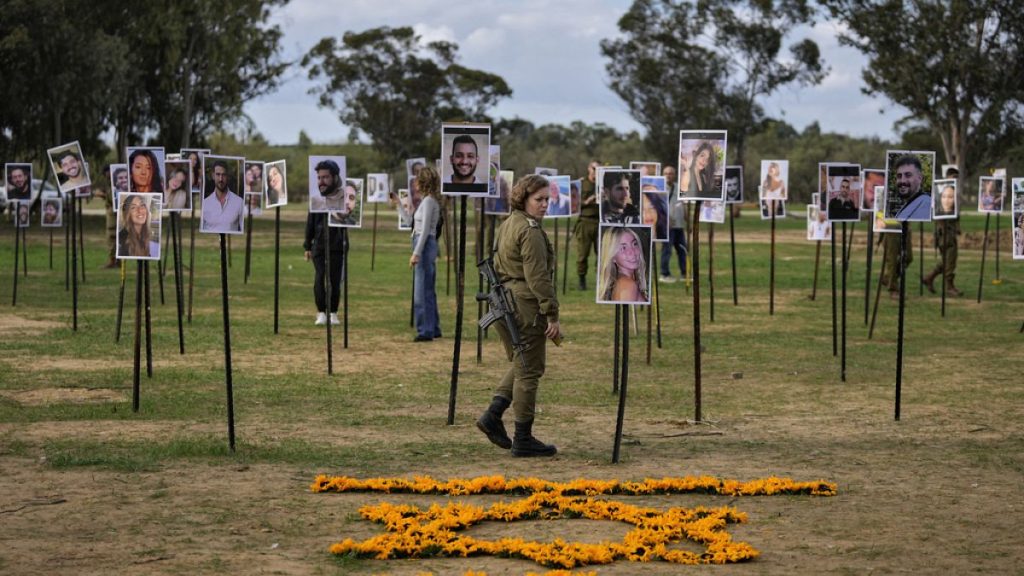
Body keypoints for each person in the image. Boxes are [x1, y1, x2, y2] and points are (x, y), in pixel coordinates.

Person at [476, 174, 560, 458]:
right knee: (529, 370)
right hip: (523, 304)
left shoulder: (509, 223)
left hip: (506, 301)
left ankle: (493, 414)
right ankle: (523, 437)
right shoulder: (530, 230)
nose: (545, 205)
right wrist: (552, 313)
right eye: (539, 199)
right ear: (523, 199)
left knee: (523, 361)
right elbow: (537, 277)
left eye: (547, 199)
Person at [409, 166, 442, 341]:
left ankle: (425, 330)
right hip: (423, 243)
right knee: (427, 288)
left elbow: (426, 231)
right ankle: (433, 327)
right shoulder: (425, 201)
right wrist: (400, 204)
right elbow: (412, 224)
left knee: (421, 292)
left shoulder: (429, 202)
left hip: (425, 244)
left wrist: (416, 253)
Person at [303, 201, 348, 327]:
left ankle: (333, 312)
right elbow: (310, 224)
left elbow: (346, 223)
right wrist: (307, 246)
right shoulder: (316, 201)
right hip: (319, 246)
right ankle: (321, 312)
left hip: (337, 246)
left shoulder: (341, 200)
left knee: (335, 280)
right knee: (320, 277)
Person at [923, 183, 962, 296]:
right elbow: (939, 225)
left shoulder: (953, 211)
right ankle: (949, 287)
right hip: (945, 239)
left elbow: (956, 223)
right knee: (949, 262)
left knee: (946, 261)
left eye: (950, 197)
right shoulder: (939, 211)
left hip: (950, 237)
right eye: (944, 197)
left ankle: (929, 278)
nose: (947, 200)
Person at [599, 227, 649, 303]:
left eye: (635, 244)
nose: (632, 252)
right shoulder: (628, 285)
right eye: (623, 248)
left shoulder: (624, 281)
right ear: (613, 257)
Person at [575, 160, 601, 290]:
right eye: (594, 168)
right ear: (588, 169)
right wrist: (587, 201)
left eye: (599, 169)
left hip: (600, 221)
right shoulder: (581, 183)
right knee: (582, 254)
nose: (596, 171)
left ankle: (600, 280)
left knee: (601, 254)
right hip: (585, 221)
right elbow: (573, 203)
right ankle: (582, 280)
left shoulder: (604, 184)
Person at [659, 166, 687, 283]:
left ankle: (684, 273)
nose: (668, 176)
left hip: (679, 224)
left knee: (682, 249)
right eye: (666, 173)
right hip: (667, 226)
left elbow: (684, 204)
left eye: (671, 173)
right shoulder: (659, 188)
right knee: (667, 250)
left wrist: (688, 220)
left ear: (675, 175)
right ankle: (664, 274)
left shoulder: (680, 187)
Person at [201, 160, 243, 232]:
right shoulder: (205, 203)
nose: (221, 179)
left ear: (228, 176)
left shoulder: (239, 202)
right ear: (213, 176)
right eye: (218, 174)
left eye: (224, 175)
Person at [892, 155, 929, 220]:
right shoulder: (910, 203)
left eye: (908, 175)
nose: (902, 181)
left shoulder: (926, 203)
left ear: (920, 178)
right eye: (899, 176)